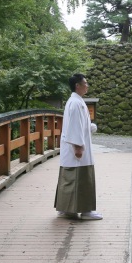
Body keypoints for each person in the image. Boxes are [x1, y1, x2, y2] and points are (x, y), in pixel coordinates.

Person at [54, 73, 102, 220]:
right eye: (85, 83)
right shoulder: (75, 103)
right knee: (80, 178)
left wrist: (89, 127)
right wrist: (78, 147)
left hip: (74, 148)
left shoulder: (75, 101)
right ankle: (85, 210)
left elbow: (78, 124)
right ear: (78, 85)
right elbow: (74, 127)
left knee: (70, 179)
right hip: (77, 149)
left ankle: (67, 209)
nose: (87, 85)